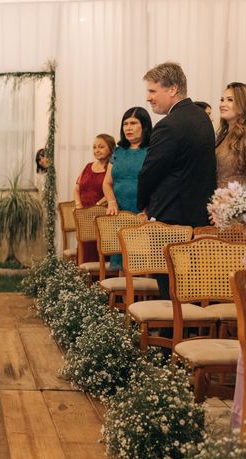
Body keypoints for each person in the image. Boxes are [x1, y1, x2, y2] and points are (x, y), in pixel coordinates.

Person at [137, 62, 216, 299]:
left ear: (172, 89)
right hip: (197, 214)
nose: (148, 97)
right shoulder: (202, 118)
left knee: (169, 286)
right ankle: (187, 331)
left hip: (171, 216)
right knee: (190, 285)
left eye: (152, 91)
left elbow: (150, 172)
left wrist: (141, 205)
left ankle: (169, 332)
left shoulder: (169, 125)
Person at [102, 107, 153, 269]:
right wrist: (111, 202)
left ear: (144, 126)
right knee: (121, 266)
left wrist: (149, 210)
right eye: (125, 124)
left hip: (142, 214)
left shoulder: (152, 151)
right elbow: (107, 183)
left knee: (142, 265)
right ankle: (123, 295)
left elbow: (157, 185)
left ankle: (142, 295)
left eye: (133, 123)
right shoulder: (118, 151)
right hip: (119, 214)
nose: (128, 128)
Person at [73, 133, 116, 263]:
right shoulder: (88, 166)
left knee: (100, 252)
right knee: (84, 250)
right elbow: (76, 188)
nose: (97, 150)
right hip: (84, 216)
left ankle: (102, 281)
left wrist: (97, 205)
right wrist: (78, 206)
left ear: (110, 148)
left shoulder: (113, 168)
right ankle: (84, 282)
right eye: (94, 147)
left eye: (101, 147)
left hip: (102, 215)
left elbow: (113, 190)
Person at [215, 82, 246, 187]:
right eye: (222, 100)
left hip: (236, 200)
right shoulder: (222, 135)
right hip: (217, 199)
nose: (223, 104)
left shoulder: (244, 136)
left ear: (242, 104)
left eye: (230, 100)